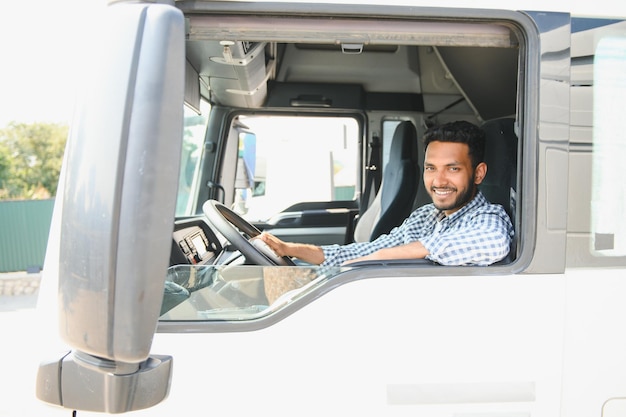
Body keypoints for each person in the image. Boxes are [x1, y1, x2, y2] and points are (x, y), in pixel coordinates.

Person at [258, 120, 514, 267]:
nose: (438, 180)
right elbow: (364, 251)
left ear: (478, 174)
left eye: (453, 168)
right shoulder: (425, 216)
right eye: (431, 168)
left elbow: (493, 243)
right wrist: (288, 248)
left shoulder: (488, 218)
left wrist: (370, 262)